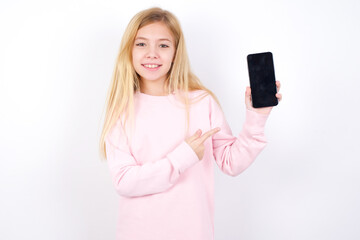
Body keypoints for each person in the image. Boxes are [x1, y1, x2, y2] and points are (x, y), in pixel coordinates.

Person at [99, 7, 282, 240]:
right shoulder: (122, 110)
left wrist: (256, 116)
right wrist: (181, 157)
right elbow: (124, 182)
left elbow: (231, 162)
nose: (152, 53)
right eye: (141, 44)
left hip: (193, 232)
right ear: (129, 51)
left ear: (175, 52)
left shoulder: (200, 102)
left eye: (163, 45)